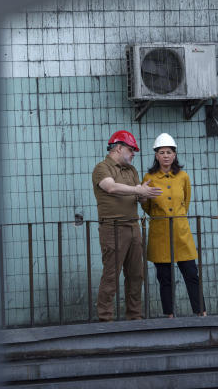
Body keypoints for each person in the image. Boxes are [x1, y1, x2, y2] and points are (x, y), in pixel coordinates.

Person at [91, 130, 162, 321]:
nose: (133, 154)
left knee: (136, 275)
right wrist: (138, 189)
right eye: (131, 150)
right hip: (112, 228)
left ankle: (134, 316)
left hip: (133, 226)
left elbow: (137, 194)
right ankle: (105, 319)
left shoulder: (131, 171)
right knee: (111, 275)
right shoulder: (102, 167)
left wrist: (144, 194)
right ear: (119, 148)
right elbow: (110, 187)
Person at [141, 132, 205, 317]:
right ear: (156, 155)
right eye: (162, 152)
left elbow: (186, 202)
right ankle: (169, 315)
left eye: (169, 152)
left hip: (180, 232)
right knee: (165, 278)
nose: (166, 155)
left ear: (175, 155)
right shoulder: (149, 177)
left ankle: (201, 312)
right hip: (160, 233)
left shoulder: (183, 177)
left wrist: (177, 217)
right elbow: (147, 206)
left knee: (191, 274)